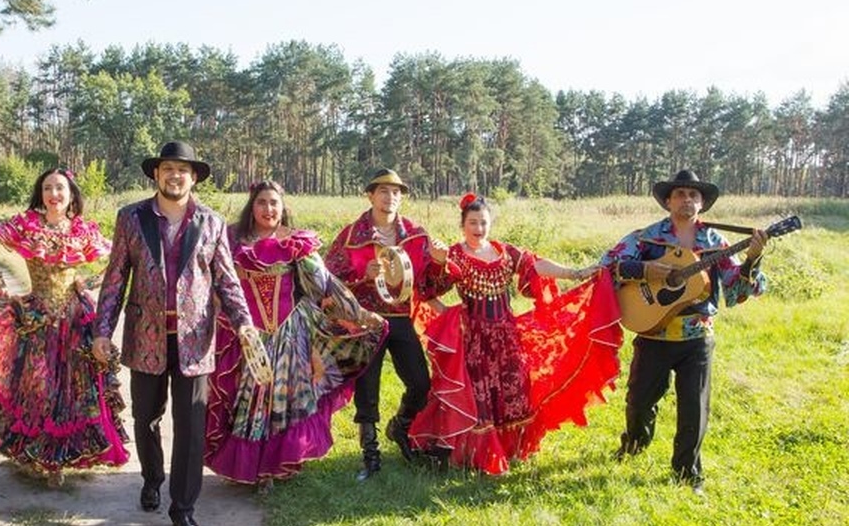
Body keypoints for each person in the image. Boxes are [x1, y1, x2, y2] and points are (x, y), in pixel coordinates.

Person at [93, 141, 266, 526]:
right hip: (145, 337)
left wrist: (244, 325)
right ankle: (152, 479)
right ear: (156, 174)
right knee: (147, 418)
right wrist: (102, 330)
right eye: (168, 168)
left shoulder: (211, 222)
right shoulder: (131, 218)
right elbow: (115, 279)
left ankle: (183, 507)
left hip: (196, 340)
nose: (175, 175)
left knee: (191, 426)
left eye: (183, 170)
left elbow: (227, 282)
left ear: (193, 177)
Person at [0, 168, 128, 481]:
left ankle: (62, 457)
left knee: (73, 386)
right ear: (41, 193)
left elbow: (120, 258)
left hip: (75, 318)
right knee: (39, 386)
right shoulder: (28, 225)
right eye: (48, 188)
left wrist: (87, 281)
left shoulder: (82, 230)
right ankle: (41, 454)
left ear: (72, 194)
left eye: (60, 188)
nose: (54, 194)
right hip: (37, 317)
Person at [406, 193, 623, 475]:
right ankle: (478, 453)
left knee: (513, 392)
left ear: (490, 224)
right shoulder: (456, 254)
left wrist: (576, 273)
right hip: (475, 340)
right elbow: (427, 289)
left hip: (507, 337)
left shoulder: (505, 252)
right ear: (463, 225)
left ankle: (510, 448)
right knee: (481, 396)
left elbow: (536, 265)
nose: (479, 228)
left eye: (483, 222)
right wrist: (447, 305)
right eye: (472, 223)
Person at [204, 180, 387, 490]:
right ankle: (252, 466)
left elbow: (325, 284)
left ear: (282, 206)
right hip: (247, 335)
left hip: (289, 333)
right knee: (249, 401)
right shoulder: (232, 240)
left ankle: (272, 469)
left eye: (274, 203)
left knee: (281, 402)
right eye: (262, 202)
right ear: (253, 205)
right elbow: (217, 282)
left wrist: (359, 314)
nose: (268, 209)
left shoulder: (295, 244)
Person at [601, 170, 768, 494]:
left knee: (695, 407)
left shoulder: (715, 243)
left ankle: (688, 475)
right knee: (638, 402)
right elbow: (607, 265)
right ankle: (635, 442)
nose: (687, 200)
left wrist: (752, 259)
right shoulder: (646, 238)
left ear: (702, 203)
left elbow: (735, 290)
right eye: (680, 194)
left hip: (697, 337)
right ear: (668, 201)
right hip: (653, 333)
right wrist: (645, 269)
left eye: (694, 195)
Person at [324, 168, 453, 481]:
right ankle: (370, 455)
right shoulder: (351, 235)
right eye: (383, 191)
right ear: (370, 195)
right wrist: (360, 277)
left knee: (421, 383)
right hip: (366, 322)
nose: (390, 197)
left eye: (396, 192)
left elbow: (432, 286)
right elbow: (327, 281)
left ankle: (400, 427)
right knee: (367, 389)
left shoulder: (416, 235)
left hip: (401, 319)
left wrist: (439, 260)